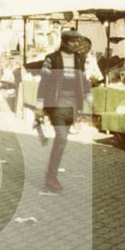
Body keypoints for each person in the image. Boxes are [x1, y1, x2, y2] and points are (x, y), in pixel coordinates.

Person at [37, 30, 92, 193]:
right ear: (64, 42)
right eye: (73, 41)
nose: (77, 44)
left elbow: (84, 80)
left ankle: (51, 174)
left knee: (63, 139)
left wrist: (89, 97)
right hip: (56, 100)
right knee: (61, 137)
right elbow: (44, 82)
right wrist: (40, 106)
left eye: (78, 41)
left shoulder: (79, 59)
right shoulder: (51, 59)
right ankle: (51, 176)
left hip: (73, 101)